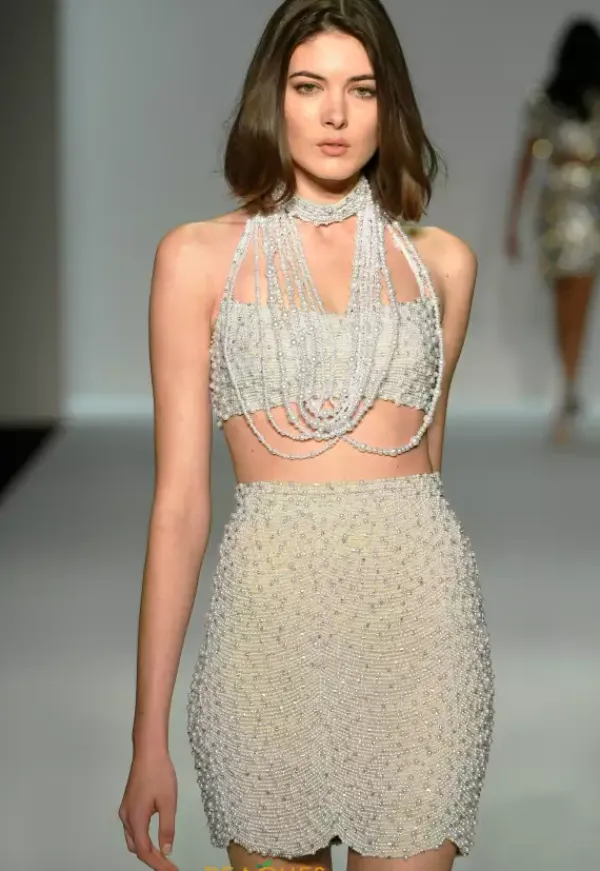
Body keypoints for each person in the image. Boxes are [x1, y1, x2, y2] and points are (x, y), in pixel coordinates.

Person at [118, 2, 494, 870]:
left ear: (389, 105)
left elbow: (424, 463)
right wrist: (147, 736)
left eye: (361, 89)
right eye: (308, 86)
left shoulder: (443, 264)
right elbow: (179, 506)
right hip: (267, 641)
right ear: (272, 99)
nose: (334, 114)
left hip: (420, 637)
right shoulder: (196, 259)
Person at [506, 17, 600, 444]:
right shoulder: (544, 102)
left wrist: (513, 221)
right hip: (564, 211)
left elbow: (526, 163)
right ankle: (569, 388)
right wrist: (513, 220)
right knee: (568, 301)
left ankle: (569, 390)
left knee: (574, 301)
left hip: (580, 210)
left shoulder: (585, 102)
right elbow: (527, 160)